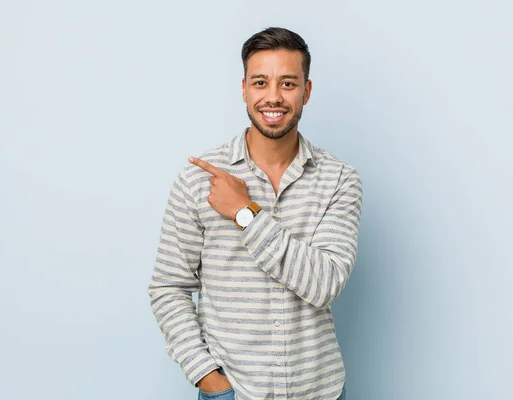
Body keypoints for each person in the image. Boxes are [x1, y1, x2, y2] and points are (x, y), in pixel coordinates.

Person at [148, 27, 362, 400]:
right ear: (244, 88)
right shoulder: (199, 180)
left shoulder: (339, 180)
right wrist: (208, 379)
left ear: (306, 92)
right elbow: (169, 287)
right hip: (234, 393)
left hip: (320, 392)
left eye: (288, 83)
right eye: (261, 82)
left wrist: (246, 212)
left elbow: (323, 285)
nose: (273, 97)